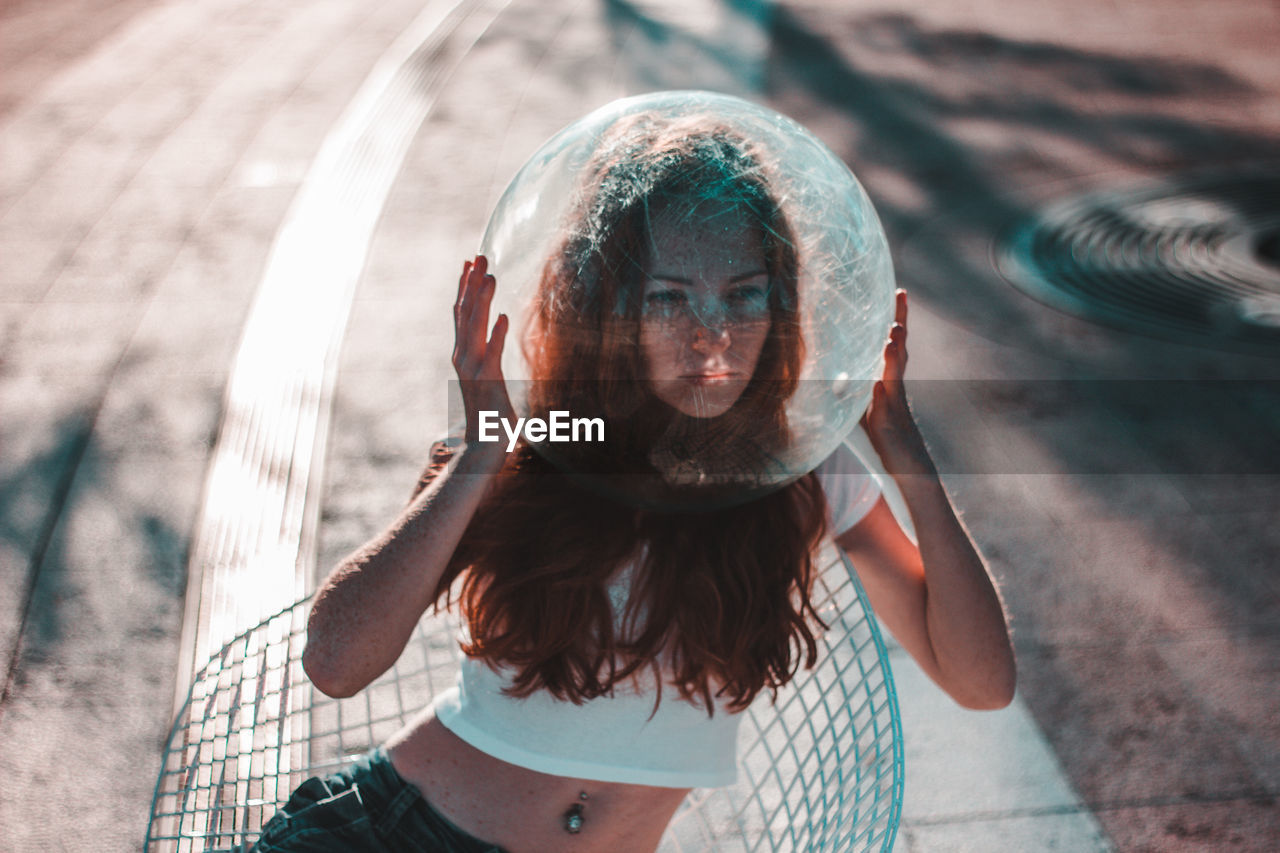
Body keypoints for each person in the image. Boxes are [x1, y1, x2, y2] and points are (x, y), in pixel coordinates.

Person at [252, 116, 1016, 853]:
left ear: (779, 307)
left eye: (744, 293)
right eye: (668, 297)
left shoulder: (796, 471)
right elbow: (335, 661)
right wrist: (479, 459)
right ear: (607, 308)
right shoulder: (543, 440)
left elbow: (981, 681)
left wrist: (908, 458)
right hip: (396, 834)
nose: (710, 334)